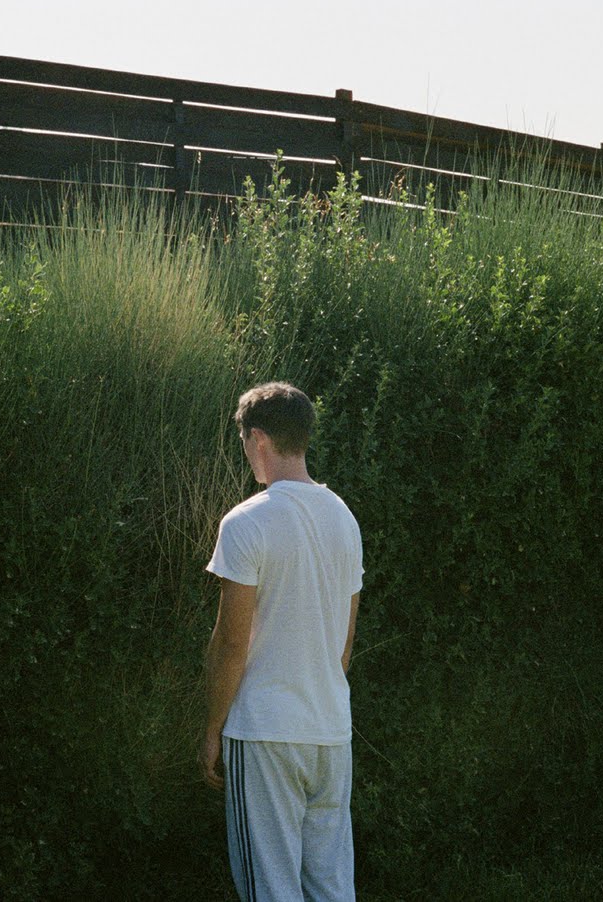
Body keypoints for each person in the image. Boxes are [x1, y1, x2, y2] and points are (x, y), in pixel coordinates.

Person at [199, 382, 364, 902]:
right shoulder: (344, 518)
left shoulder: (246, 522)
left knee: (271, 890)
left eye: (244, 441)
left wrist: (211, 728)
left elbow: (232, 644)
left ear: (259, 438)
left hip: (264, 732)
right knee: (331, 888)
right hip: (330, 732)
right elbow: (344, 644)